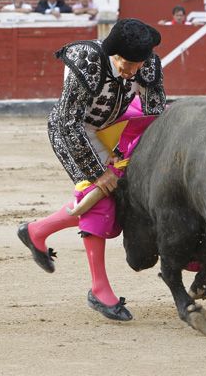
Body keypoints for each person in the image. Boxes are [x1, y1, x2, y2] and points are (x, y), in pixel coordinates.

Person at [18, 18, 166, 322]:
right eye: (126, 63)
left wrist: (127, 152)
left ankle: (36, 231)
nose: (131, 71)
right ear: (113, 53)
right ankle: (99, 289)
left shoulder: (147, 63)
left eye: (137, 64)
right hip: (77, 130)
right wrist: (98, 172)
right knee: (100, 197)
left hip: (117, 123)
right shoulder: (85, 62)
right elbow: (67, 122)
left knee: (115, 194)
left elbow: (154, 113)